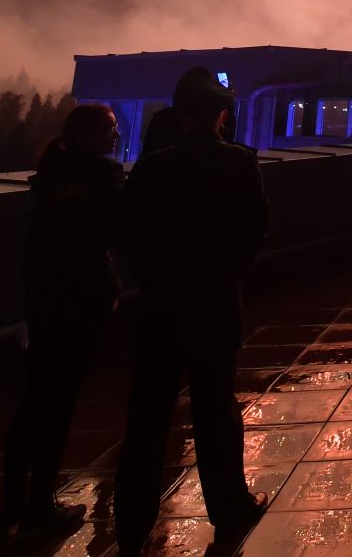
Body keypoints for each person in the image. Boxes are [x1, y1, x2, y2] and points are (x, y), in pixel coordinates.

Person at [113, 75, 270, 550]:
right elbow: (255, 230)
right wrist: (227, 274)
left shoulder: (152, 168)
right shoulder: (239, 164)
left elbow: (128, 232)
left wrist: (155, 278)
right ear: (222, 116)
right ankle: (228, 505)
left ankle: (133, 524)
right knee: (215, 409)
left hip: (161, 306)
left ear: (179, 116)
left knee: (147, 419)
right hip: (214, 303)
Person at [0, 104, 123, 547]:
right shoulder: (104, 177)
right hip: (83, 297)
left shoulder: (51, 175)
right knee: (62, 399)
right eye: (110, 129)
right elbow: (118, 231)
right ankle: (41, 502)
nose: (116, 135)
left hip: (46, 295)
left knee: (35, 395)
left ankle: (12, 502)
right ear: (91, 136)